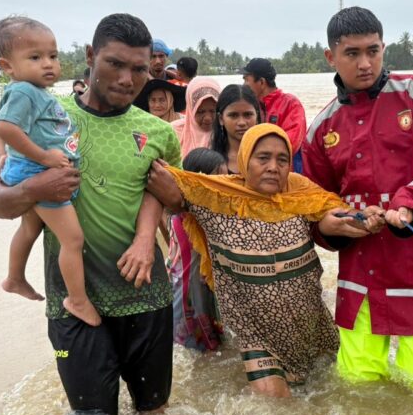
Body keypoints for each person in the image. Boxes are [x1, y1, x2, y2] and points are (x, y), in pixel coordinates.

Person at [0, 13, 182, 415]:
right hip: (72, 306)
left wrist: (147, 237)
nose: (128, 78)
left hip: (145, 295)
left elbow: (170, 197)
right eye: (115, 63)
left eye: (140, 68)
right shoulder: (43, 117)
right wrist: (36, 189)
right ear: (90, 56)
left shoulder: (158, 131)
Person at [303, 7, 413, 391]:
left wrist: (408, 205)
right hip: (361, 266)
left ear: (383, 48)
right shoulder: (321, 129)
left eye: (373, 51)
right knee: (357, 381)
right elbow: (314, 202)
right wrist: (331, 226)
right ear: (331, 56)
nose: (365, 64)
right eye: (352, 53)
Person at [148, 124, 381, 397]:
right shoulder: (215, 198)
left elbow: (332, 217)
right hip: (258, 338)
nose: (273, 166)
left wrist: (362, 219)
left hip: (314, 329)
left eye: (282, 159)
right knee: (278, 410)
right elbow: (163, 182)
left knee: (334, 400)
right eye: (263, 158)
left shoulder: (300, 194)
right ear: (245, 159)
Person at [0, 16, 99, 327]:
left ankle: (14, 278)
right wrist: (45, 157)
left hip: (32, 169)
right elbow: (3, 127)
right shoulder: (24, 91)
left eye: (53, 55)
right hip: (38, 174)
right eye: (35, 57)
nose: (48, 64)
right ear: (7, 66)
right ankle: (76, 299)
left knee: (30, 229)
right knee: (73, 240)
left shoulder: (36, 92)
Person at [168, 148, 227, 351]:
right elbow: (190, 274)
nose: (223, 187)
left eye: (226, 179)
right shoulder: (188, 218)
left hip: (190, 289)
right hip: (189, 292)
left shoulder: (187, 211)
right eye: (216, 180)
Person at [241, 58, 307, 173]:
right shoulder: (250, 106)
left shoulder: (291, 104)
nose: (243, 85)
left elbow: (291, 143)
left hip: (285, 173)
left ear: (261, 82)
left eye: (246, 80)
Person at [210, 84, 262, 174]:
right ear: (221, 119)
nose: (241, 122)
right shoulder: (210, 161)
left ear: (257, 117)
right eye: (233, 115)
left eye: (248, 114)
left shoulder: (269, 158)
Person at [173, 77, 221, 157]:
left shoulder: (227, 135)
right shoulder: (174, 132)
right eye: (200, 112)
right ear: (191, 111)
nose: (207, 118)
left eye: (213, 111)